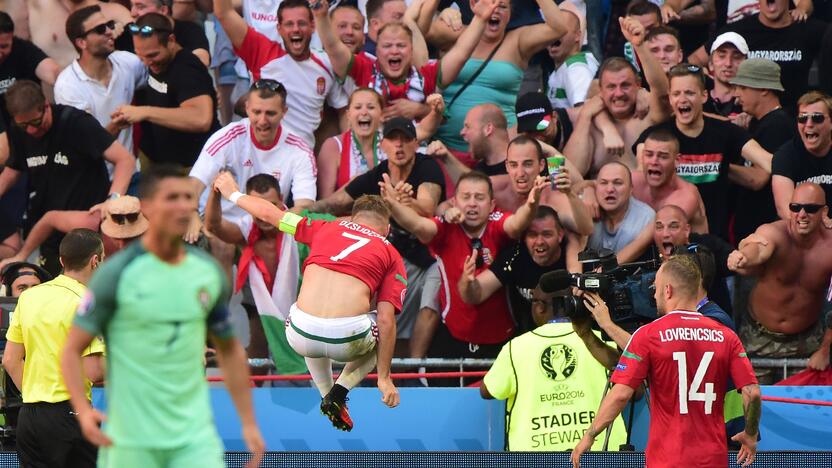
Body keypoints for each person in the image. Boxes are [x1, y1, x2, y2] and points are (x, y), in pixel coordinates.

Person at [61, 165, 265, 467]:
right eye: (172, 197)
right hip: (130, 441)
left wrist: (248, 421)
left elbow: (230, 350)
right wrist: (82, 408)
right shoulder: (114, 275)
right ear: (147, 208)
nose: (184, 205)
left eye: (188, 197)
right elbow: (71, 350)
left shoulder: (206, 272)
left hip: (194, 439)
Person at [215, 172, 405, 432]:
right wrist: (384, 378)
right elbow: (386, 320)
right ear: (388, 229)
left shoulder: (324, 227)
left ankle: (327, 395)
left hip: (299, 333)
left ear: (350, 218)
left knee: (307, 317)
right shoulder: (391, 254)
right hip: (348, 339)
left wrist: (232, 193)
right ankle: (339, 391)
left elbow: (271, 214)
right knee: (382, 334)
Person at [571, 255, 761, 468]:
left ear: (668, 290)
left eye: (656, 288)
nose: (654, 295)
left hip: (666, 460)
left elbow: (621, 394)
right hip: (713, 459)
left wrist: (590, 435)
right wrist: (751, 434)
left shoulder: (649, 335)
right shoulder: (726, 336)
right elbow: (752, 392)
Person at [309, 117, 445, 345]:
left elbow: (428, 210)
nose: (399, 146)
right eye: (393, 139)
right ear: (383, 145)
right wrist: (297, 211)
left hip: (429, 255)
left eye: (406, 139)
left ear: (415, 143)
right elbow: (334, 202)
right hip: (389, 255)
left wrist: (404, 201)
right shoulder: (377, 174)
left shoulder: (427, 166)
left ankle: (415, 371)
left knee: (427, 304)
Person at [383, 170, 547, 357]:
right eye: (466, 197)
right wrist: (392, 204)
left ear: (492, 204)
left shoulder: (497, 223)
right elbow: (419, 225)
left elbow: (517, 223)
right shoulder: (446, 227)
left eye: (479, 198)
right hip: (454, 334)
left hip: (500, 337)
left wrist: (531, 205)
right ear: (454, 202)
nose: (472, 203)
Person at [0, 80, 135, 274]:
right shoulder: (18, 130)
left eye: (36, 123)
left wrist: (112, 201)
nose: (31, 130)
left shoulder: (77, 123)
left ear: (46, 105)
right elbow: (14, 169)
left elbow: (125, 160)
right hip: (47, 230)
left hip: (86, 223)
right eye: (24, 126)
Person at [633, 64, 773, 243]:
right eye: (676, 94)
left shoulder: (726, 132)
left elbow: (768, 161)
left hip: (713, 241)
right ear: (669, 98)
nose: (682, 99)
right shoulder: (655, 137)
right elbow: (641, 175)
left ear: (704, 96)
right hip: (663, 241)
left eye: (690, 93)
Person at [480, 282, 627, 451]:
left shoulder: (516, 348)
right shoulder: (602, 340)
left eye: (534, 301)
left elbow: (488, 390)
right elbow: (635, 390)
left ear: (540, 307)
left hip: (535, 457)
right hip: (601, 451)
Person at [3, 228, 106, 468]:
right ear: (95, 261)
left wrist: (35, 396)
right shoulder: (88, 302)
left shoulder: (29, 298)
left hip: (29, 417)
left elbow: (10, 360)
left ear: (61, 260)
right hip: (71, 415)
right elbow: (94, 371)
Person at [429, 0, 570, 157]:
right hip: (443, 147)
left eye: (502, 6)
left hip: (498, 152)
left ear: (510, 14)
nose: (494, 10)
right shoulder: (456, 31)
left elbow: (560, 28)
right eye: (489, 4)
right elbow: (417, 29)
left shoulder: (518, 40)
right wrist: (442, 14)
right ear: (473, 5)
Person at [728, 183, 832, 383]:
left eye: (810, 209)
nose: (802, 214)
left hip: (808, 342)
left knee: (800, 411)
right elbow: (758, 248)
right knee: (751, 409)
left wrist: (826, 349)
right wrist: (742, 257)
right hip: (757, 337)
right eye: (795, 207)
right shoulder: (774, 232)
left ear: (824, 211)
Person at [205, 173, 304, 380]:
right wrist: (215, 195)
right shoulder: (244, 228)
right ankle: (252, 406)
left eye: (271, 205)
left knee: (308, 360)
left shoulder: (300, 224)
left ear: (282, 199)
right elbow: (214, 227)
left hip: (301, 303)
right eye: (256, 205)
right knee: (257, 357)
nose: (263, 214)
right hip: (259, 305)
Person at [314, 0, 487, 118]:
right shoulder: (364, 68)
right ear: (377, 48)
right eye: (387, 46)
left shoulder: (424, 75)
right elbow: (333, 47)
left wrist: (480, 19)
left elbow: (461, 53)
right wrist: (321, 16)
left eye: (401, 46)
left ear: (411, 49)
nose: (394, 51)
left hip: (415, 157)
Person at [213, 0, 348, 147]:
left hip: (302, 158)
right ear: (279, 29)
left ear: (313, 26)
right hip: (263, 155)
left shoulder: (327, 63)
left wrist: (348, 153)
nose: (296, 29)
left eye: (301, 23)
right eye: (289, 24)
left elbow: (344, 111)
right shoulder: (263, 53)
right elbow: (224, 14)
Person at [563, 17, 670, 177]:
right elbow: (571, 177)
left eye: (625, 85)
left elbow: (661, 92)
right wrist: (585, 116)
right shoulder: (590, 123)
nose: (619, 93)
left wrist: (640, 46)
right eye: (611, 87)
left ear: (638, 84)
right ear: (600, 90)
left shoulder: (648, 115)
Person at [114, 12, 220, 170]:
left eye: (153, 55)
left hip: (190, 166)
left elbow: (201, 119)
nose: (147, 63)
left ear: (171, 40)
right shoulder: (153, 62)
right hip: (156, 160)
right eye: (140, 56)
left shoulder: (187, 68)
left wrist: (145, 112)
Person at [459, 205, 581, 334]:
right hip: (526, 338)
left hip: (569, 336)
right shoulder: (515, 257)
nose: (539, 241)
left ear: (560, 235)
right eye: (532, 235)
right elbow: (477, 294)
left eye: (547, 234)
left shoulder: (572, 256)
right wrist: (466, 282)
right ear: (524, 237)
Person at [688, 0, 828, 113]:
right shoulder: (739, 29)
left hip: (799, 121)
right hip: (750, 120)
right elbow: (694, 60)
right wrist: (713, 82)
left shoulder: (807, 29)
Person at [57, 5, 146, 181]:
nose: (108, 31)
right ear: (81, 42)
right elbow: (86, 145)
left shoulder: (128, 63)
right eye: (100, 29)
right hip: (92, 181)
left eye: (109, 25)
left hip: (131, 175)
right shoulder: (67, 86)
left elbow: (158, 77)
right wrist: (117, 124)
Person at [317, 88, 445, 198]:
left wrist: (436, 111)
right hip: (346, 220)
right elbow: (326, 202)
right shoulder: (333, 146)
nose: (364, 112)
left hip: (386, 217)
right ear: (348, 114)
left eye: (371, 107)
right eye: (358, 107)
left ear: (381, 114)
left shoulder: (391, 140)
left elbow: (425, 129)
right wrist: (353, 187)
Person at [0, 195, 149, 272]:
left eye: (130, 238)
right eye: (117, 236)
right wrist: (21, 255)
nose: (122, 243)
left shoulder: (157, 229)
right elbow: (50, 219)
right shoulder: (94, 222)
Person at [651, 204, 735, 317]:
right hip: (666, 328)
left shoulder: (707, 248)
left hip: (712, 324)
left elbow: (737, 261)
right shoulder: (648, 255)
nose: (665, 234)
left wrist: (739, 258)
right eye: (659, 227)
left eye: (673, 226)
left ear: (686, 230)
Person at [632, 128, 709, 233]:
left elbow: (652, 237)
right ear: (642, 157)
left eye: (663, 157)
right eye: (649, 155)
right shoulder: (633, 181)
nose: (654, 162)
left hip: (687, 248)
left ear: (677, 161)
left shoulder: (686, 195)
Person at [771, 91, 832, 216]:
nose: (809, 124)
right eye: (802, 118)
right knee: (768, 231)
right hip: (802, 229)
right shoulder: (785, 155)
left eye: (817, 118)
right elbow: (785, 211)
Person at [0, 11, 60, 127]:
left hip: (32, 124)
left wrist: (73, 83)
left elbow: (53, 73)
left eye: (4, 46)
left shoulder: (24, 50)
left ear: (12, 37)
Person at [587, 162, 655, 263]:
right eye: (604, 183)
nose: (610, 189)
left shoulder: (646, 218)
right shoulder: (586, 208)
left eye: (618, 183)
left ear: (631, 188)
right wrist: (586, 189)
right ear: (596, 187)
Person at [121, 0, 210, 65]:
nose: (133, 13)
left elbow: (202, 61)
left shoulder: (190, 31)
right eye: (131, 6)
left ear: (163, 10)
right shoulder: (131, 31)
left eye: (140, 7)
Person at [545, 10, 598, 109]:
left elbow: (583, 112)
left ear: (577, 35)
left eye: (561, 29)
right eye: (551, 30)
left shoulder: (576, 69)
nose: (555, 35)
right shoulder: (563, 67)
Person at [705, 32, 747, 120]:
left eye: (736, 56)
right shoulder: (699, 101)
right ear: (710, 64)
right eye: (722, 56)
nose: (728, 63)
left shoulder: (751, 106)